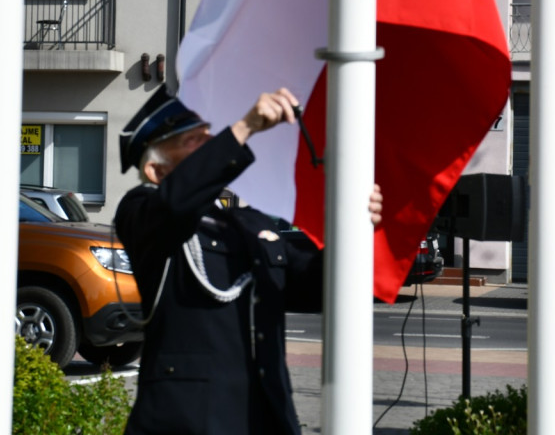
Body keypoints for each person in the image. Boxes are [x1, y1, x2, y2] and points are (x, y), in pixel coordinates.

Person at [114, 84, 383, 435]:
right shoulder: (141, 212)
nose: (213, 143)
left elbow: (317, 287)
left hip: (265, 419)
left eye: (212, 136)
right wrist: (245, 128)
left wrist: (354, 229)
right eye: (195, 141)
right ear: (156, 172)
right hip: (187, 421)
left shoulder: (249, 223)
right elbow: (173, 206)